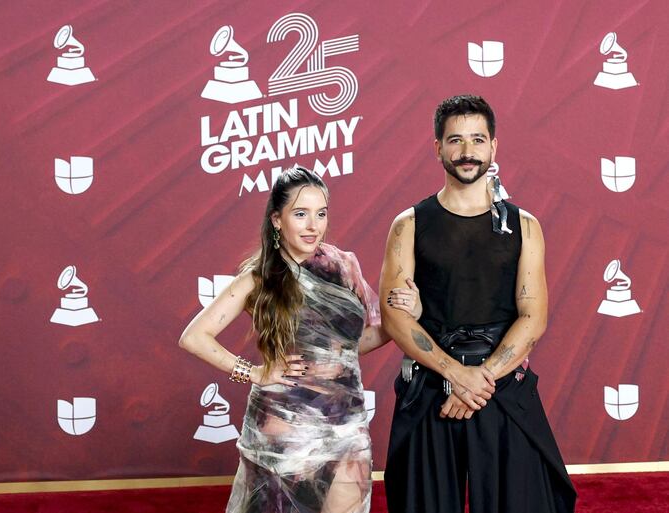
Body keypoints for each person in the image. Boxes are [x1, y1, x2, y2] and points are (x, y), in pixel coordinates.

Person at [179, 166, 421, 513]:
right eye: (301, 214)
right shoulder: (260, 276)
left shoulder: (343, 266)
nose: (313, 225)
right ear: (277, 220)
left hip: (345, 425)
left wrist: (409, 311)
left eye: (321, 214)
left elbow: (357, 342)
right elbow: (195, 337)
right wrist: (254, 372)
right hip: (284, 432)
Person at [380, 95, 577, 513]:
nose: (467, 152)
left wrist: (478, 379)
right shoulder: (408, 225)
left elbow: (534, 317)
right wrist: (455, 373)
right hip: (432, 390)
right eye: (455, 140)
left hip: (502, 389)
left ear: (494, 147)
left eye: (477, 140)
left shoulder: (525, 225)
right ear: (437, 148)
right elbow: (395, 319)